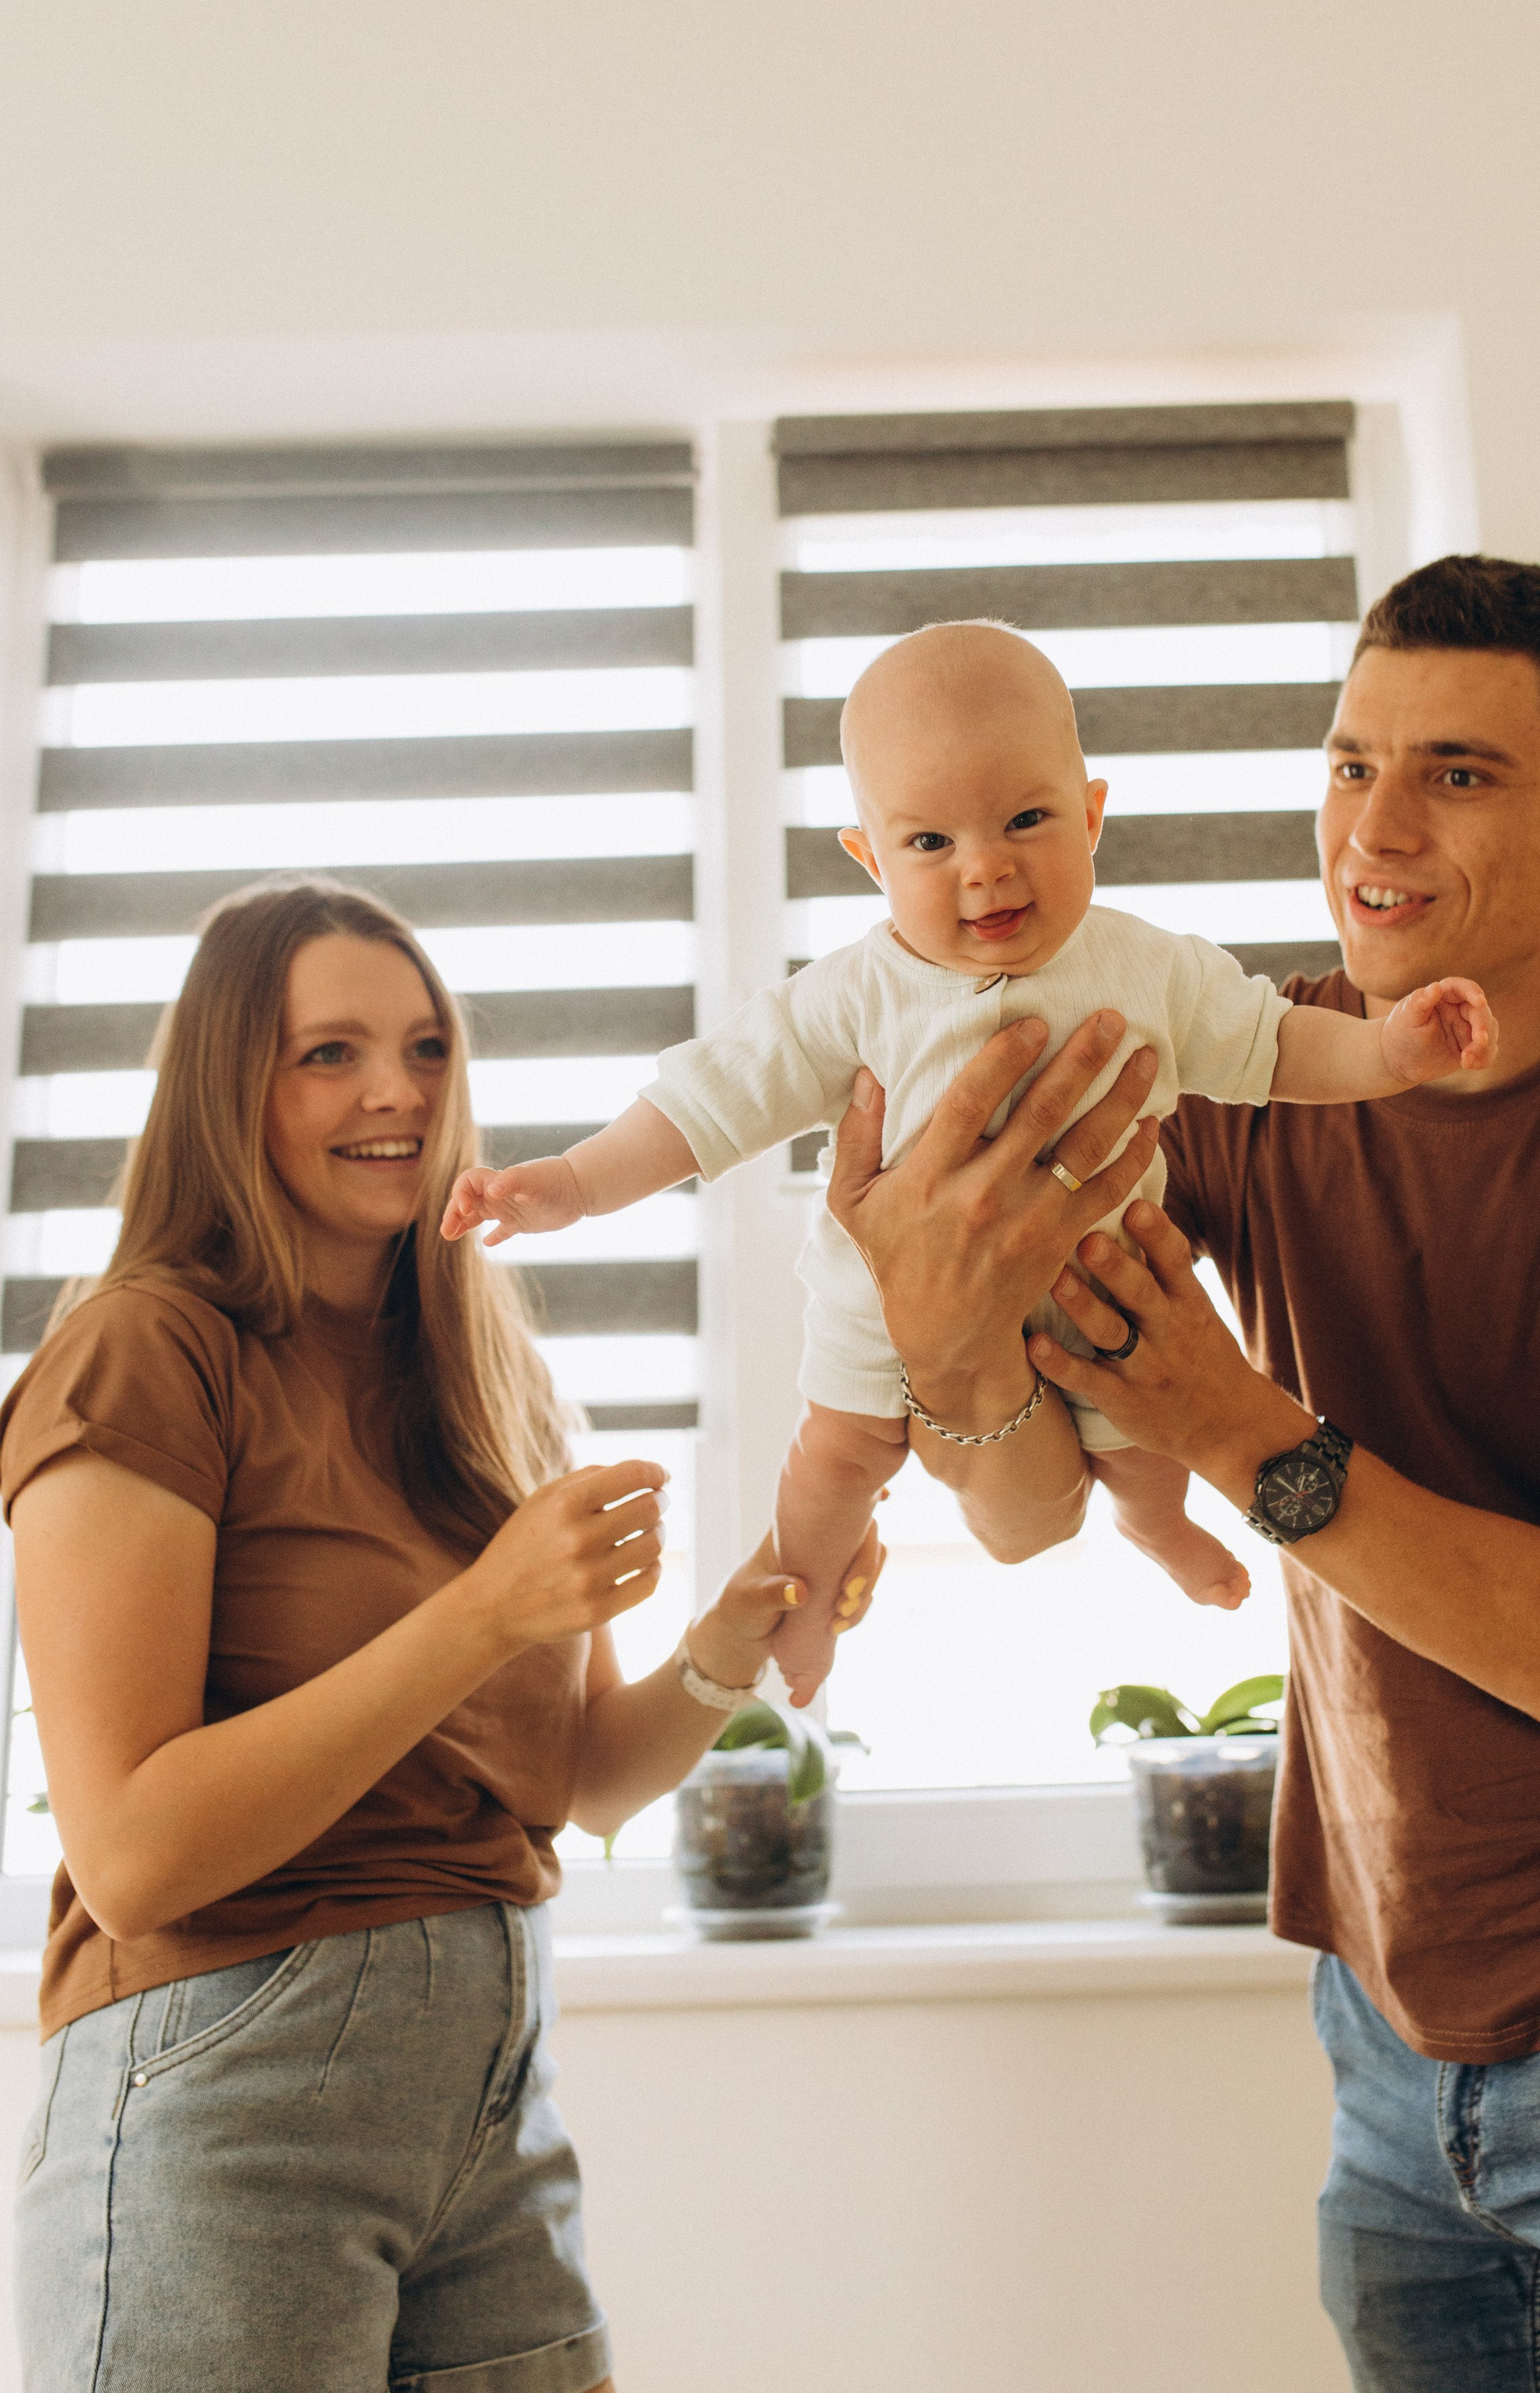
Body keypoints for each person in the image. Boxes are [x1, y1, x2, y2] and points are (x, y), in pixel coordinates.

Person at [825, 557, 1540, 2392]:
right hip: (1382, 2029)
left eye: (1455, 774)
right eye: (1346, 761)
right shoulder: (1225, 1072)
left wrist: (1227, 1424)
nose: (1370, 829)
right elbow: (1024, 1505)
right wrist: (937, 1331)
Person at [0, 874, 883, 2393]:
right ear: (230, 1086)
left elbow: (582, 1779)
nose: (397, 1091)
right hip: (233, 2094)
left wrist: (734, 1634)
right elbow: (135, 1853)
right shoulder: (148, 1349)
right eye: (327, 1054)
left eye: (425, 1048)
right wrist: (481, 1616)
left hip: (486, 2102)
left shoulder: (481, 1373)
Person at [441, 621, 1494, 1702]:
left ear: (1091, 816)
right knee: (833, 1465)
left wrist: (1390, 1047)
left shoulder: (1149, 965)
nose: (986, 868)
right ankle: (804, 1608)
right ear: (868, 857)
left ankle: (1155, 1527)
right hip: (882, 1304)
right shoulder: (852, 992)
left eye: (1027, 820)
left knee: (1145, 1444)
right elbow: (709, 1102)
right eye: (931, 844)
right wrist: (572, 1183)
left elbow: (1274, 1045)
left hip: (1100, 1287)